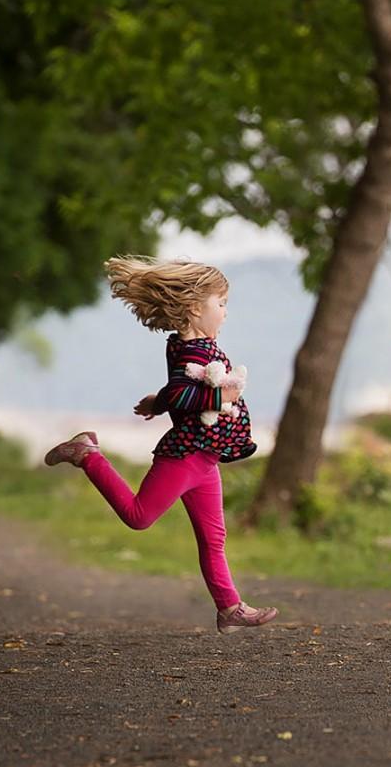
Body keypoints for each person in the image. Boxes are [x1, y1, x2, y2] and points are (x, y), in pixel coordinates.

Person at [43, 256, 278, 632]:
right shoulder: (191, 350)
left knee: (214, 537)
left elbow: (177, 391)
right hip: (185, 457)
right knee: (139, 517)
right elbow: (185, 393)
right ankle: (87, 454)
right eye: (221, 304)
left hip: (205, 459)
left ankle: (229, 607)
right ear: (193, 308)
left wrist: (158, 401)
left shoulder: (200, 345)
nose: (225, 313)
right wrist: (223, 400)